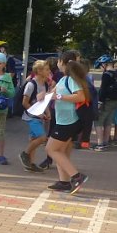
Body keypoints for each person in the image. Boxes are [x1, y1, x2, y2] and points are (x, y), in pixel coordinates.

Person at [45, 56, 90, 194]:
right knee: (61, 152)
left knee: (51, 149)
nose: (57, 63)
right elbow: (52, 94)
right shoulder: (63, 79)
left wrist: (58, 97)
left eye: (59, 61)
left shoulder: (72, 80)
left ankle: (77, 176)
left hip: (69, 121)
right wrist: (44, 95)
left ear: (63, 63)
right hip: (62, 120)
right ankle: (64, 182)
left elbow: (81, 97)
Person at [19, 60, 52, 172]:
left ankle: (31, 164)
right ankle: (25, 154)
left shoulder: (46, 84)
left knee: (34, 139)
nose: (49, 71)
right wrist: (36, 112)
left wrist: (47, 113)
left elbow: (44, 101)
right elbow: (25, 102)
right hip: (31, 116)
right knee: (42, 137)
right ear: (39, 71)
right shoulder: (31, 84)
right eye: (47, 69)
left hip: (39, 116)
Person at [93, 55, 117, 151]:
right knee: (108, 122)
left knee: (98, 121)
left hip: (106, 101)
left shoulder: (106, 74)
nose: (101, 69)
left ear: (104, 65)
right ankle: (106, 142)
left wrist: (99, 102)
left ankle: (100, 144)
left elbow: (103, 90)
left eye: (101, 66)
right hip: (116, 101)